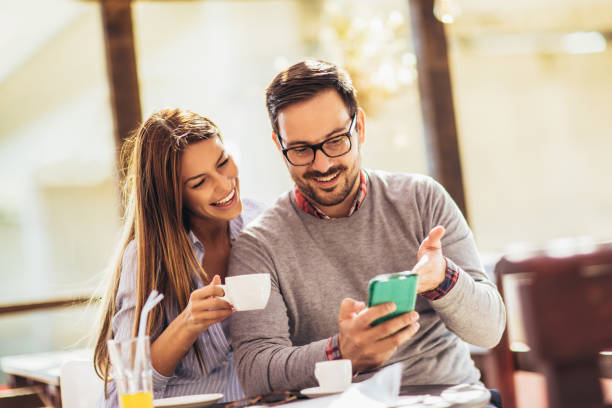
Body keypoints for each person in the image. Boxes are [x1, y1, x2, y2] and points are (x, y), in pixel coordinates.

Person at [228, 60, 506, 398]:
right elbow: (256, 372)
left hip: (446, 398)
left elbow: (489, 330)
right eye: (301, 149)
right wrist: (341, 352)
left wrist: (444, 279)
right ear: (279, 145)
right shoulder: (259, 245)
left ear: (359, 127)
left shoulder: (422, 199)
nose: (323, 164)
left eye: (334, 141)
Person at [93, 108, 264, 406]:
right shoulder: (147, 259)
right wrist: (187, 323)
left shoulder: (262, 223)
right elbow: (122, 397)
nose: (224, 185)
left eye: (223, 162)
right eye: (199, 183)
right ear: (174, 196)